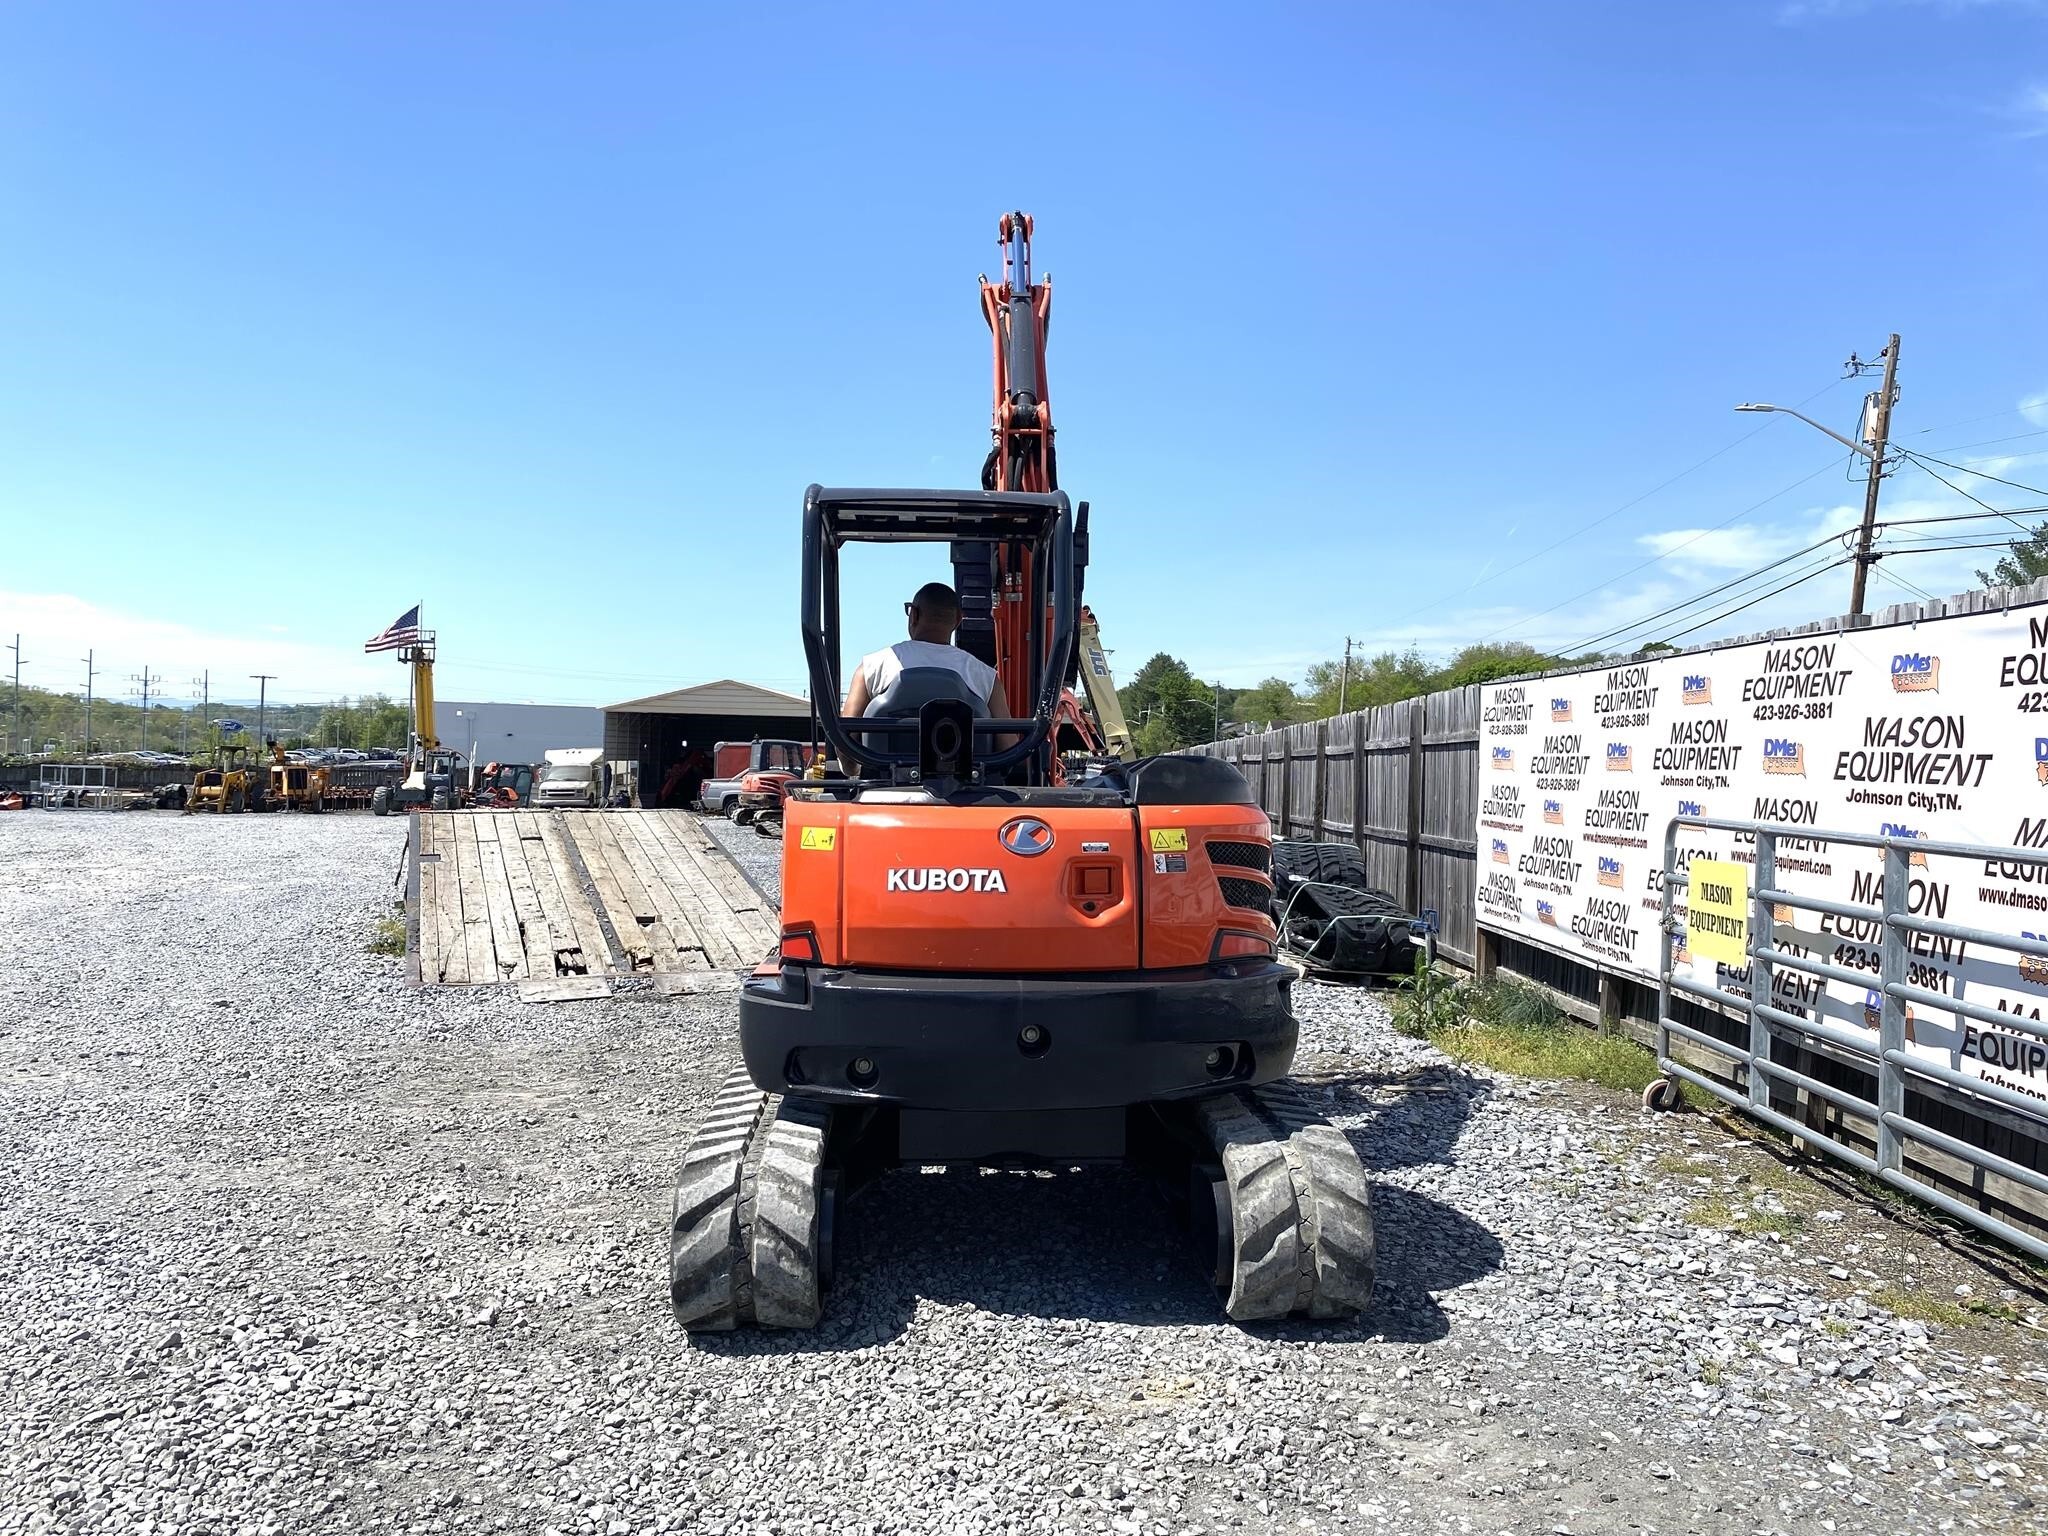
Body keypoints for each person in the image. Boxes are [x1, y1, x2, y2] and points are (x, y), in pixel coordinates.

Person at [841, 581, 1017, 770]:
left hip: (883, 791)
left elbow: (845, 746)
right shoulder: (986, 678)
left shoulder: (871, 668)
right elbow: (1009, 750)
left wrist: (852, 770)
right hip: (967, 795)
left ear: (913, 615)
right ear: (958, 620)